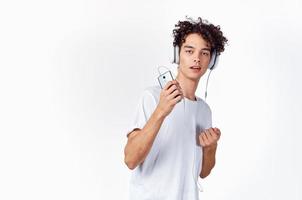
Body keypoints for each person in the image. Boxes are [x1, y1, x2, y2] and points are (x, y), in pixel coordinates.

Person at [124, 17, 228, 200]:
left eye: (204, 53)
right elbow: (131, 159)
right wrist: (161, 111)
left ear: (211, 61)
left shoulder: (204, 110)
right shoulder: (153, 97)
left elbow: (203, 172)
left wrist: (211, 147)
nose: (197, 58)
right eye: (189, 51)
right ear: (177, 54)